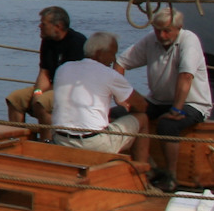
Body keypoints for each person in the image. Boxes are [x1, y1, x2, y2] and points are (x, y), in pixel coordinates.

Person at [115, 7, 213, 176]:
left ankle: (171, 175)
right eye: (157, 31)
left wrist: (176, 109)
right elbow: (120, 63)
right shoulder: (151, 40)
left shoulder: (189, 41)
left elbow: (185, 76)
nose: (161, 36)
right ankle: (147, 165)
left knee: (167, 124)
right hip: (158, 100)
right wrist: (121, 97)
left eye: (167, 31)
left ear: (178, 28)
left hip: (193, 103)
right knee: (117, 114)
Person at [49, 31, 153, 167]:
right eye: (112, 53)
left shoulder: (63, 68)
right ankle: (142, 174)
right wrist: (129, 107)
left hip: (60, 138)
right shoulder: (109, 74)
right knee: (141, 119)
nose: (114, 60)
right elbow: (141, 105)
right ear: (99, 53)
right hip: (92, 143)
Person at [4, 6, 87, 125]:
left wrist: (41, 95)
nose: (39, 26)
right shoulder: (47, 40)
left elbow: (70, 81)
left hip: (71, 89)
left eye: (43, 24)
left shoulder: (77, 43)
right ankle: (22, 138)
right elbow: (44, 72)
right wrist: (37, 92)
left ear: (58, 26)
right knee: (14, 99)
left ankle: (46, 140)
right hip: (51, 87)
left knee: (42, 103)